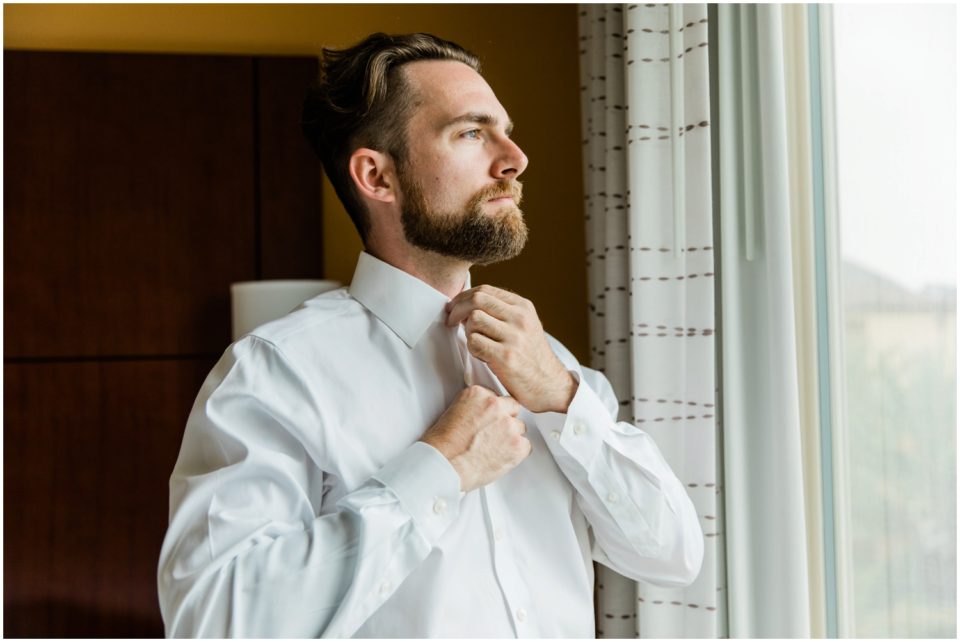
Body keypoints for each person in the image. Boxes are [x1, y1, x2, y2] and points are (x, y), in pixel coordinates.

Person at [157, 32, 703, 638]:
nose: (514, 157)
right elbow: (218, 621)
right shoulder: (275, 371)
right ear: (377, 177)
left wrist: (565, 399)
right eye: (472, 133)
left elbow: (671, 556)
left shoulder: (549, 366)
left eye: (505, 129)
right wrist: (437, 469)